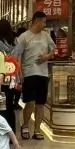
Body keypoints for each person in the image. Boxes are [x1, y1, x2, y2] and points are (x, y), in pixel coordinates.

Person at [16, 11, 56, 140]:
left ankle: (37, 130)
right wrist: (20, 74)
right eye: (43, 22)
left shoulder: (46, 36)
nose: (44, 24)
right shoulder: (23, 37)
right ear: (36, 21)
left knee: (40, 103)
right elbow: (17, 57)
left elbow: (54, 49)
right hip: (29, 73)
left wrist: (47, 56)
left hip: (43, 73)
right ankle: (25, 125)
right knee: (30, 102)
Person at [0, 18, 19, 134]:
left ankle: (2, 131)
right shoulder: (15, 43)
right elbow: (18, 60)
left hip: (1, 76)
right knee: (10, 105)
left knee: (1, 105)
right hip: (13, 77)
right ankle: (12, 131)